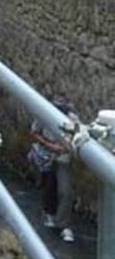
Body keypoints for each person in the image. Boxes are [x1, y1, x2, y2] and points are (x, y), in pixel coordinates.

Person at [28, 96, 76, 242]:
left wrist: (66, 147)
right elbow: (34, 132)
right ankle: (49, 212)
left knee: (65, 190)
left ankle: (63, 224)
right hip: (46, 155)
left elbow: (78, 136)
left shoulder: (73, 120)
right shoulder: (43, 115)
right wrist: (49, 145)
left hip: (63, 157)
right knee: (49, 185)